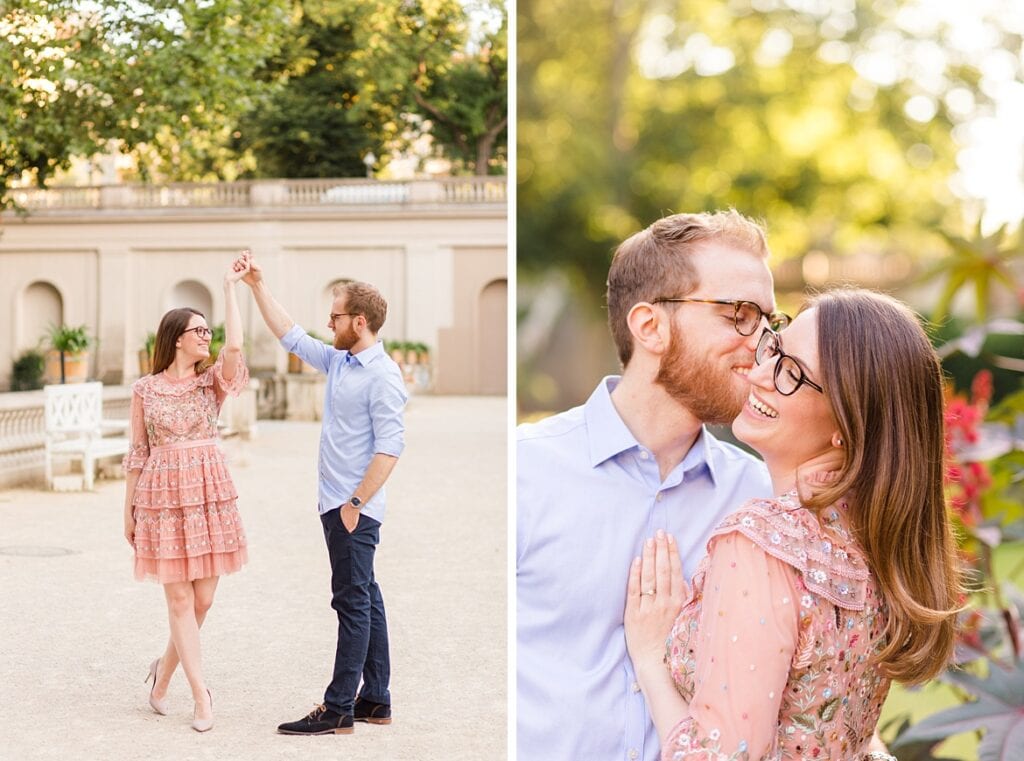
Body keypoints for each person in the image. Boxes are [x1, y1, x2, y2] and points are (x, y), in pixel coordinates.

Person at [623, 289, 962, 760]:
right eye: (774, 348)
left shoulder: (762, 543)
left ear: (848, 421)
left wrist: (650, 657)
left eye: (790, 373)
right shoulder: (881, 541)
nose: (758, 373)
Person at [518, 210, 792, 761]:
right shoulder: (524, 473)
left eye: (769, 321)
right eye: (739, 314)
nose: (764, 343)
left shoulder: (763, 500)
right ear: (650, 327)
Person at [234, 251, 408, 736]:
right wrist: (256, 286)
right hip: (337, 504)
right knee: (366, 597)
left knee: (351, 603)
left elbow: (391, 449)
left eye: (335, 317)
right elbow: (289, 334)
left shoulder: (382, 376)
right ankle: (376, 699)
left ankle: (338, 709)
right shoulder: (342, 361)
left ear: (360, 320)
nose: (327, 323)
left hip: (352, 509)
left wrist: (354, 505)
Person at [123, 259, 252, 733]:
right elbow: (137, 453)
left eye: (208, 330)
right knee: (178, 602)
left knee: (202, 603)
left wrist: (230, 288)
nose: (207, 337)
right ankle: (201, 696)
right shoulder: (145, 390)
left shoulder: (210, 382)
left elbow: (235, 345)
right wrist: (129, 512)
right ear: (176, 337)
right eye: (199, 331)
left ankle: (162, 673)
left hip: (206, 493)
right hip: (160, 498)